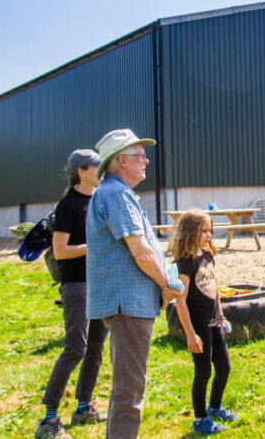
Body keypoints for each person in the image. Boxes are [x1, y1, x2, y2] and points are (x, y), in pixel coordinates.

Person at [86, 129, 181, 439]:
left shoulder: (116, 193)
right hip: (127, 304)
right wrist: (166, 284)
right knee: (129, 389)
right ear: (122, 160)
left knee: (130, 385)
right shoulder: (115, 194)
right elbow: (141, 253)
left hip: (129, 303)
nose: (146, 161)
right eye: (141, 156)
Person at [35, 150, 108, 439]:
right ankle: (49, 420)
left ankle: (83, 408)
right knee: (76, 348)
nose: (102, 170)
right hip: (77, 285)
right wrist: (95, 246)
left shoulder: (99, 199)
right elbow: (60, 251)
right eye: (97, 166)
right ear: (81, 171)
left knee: (95, 348)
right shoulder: (68, 204)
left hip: (100, 284)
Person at [171, 210, 238, 436]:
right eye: (204, 231)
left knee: (224, 367)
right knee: (203, 371)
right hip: (198, 326)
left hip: (214, 322)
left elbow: (214, 289)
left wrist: (221, 316)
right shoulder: (183, 264)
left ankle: (215, 407)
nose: (209, 235)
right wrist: (190, 334)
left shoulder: (208, 255)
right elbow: (180, 301)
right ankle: (200, 420)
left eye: (210, 231)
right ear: (190, 233)